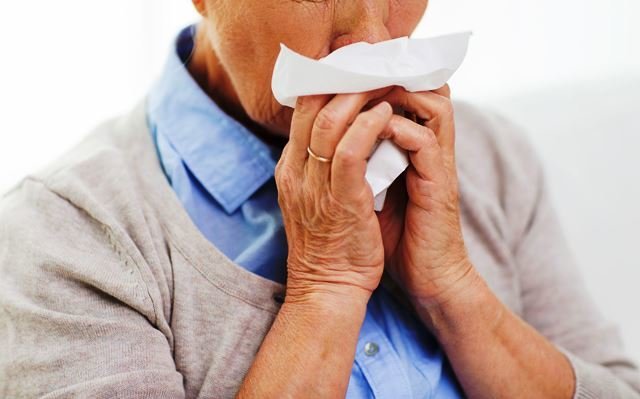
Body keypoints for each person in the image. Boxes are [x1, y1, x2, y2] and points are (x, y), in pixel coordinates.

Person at [1, 1, 639, 398]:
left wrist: (455, 292)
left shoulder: (490, 156)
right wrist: (324, 291)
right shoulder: (64, 238)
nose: (366, 37)